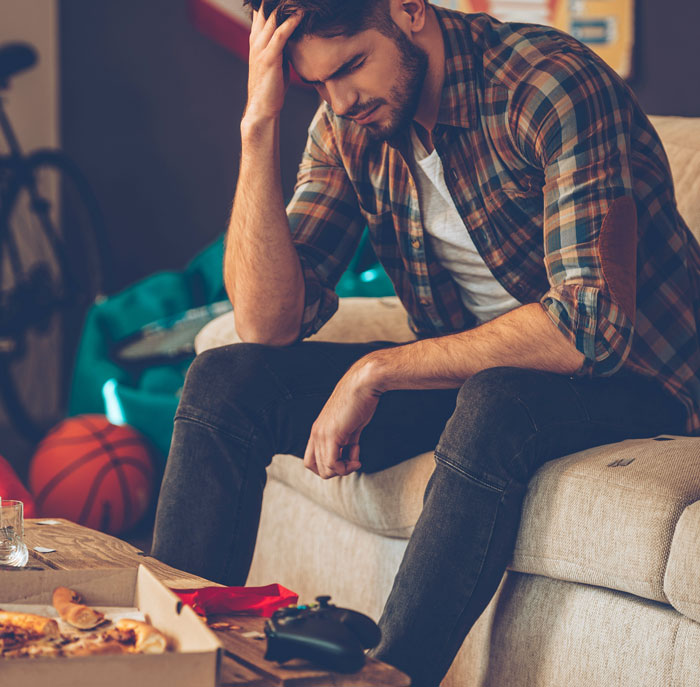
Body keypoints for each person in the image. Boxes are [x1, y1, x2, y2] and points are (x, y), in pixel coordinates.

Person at [151, 1, 699, 684]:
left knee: (497, 397)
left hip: (639, 383)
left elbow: (589, 325)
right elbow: (267, 322)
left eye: (351, 66)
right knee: (224, 380)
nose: (341, 100)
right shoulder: (349, 123)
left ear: (408, 10)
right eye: (316, 85)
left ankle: (391, 673)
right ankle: (170, 657)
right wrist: (258, 124)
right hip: (481, 387)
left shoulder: (549, 86)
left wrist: (378, 370)